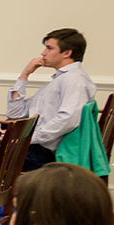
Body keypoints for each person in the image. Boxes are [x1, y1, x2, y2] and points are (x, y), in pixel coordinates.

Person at [8, 28, 96, 171]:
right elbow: (15, 114)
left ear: (67, 53)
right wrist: (25, 74)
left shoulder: (74, 79)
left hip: (45, 155)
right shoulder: (59, 80)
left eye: (49, 48)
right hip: (37, 147)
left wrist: (27, 138)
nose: (43, 53)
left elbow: (67, 119)